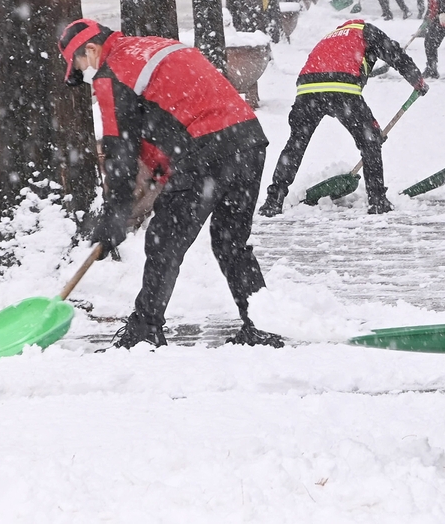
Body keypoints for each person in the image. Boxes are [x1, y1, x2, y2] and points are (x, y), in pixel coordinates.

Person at [58, 19, 284, 350]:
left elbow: (119, 153)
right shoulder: (156, 45)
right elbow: (172, 113)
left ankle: (145, 329)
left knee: (164, 241)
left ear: (91, 49)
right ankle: (262, 323)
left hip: (205, 149)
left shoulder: (113, 72)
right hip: (247, 139)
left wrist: (115, 214)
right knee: (230, 242)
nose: (90, 73)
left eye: (82, 65)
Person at [257, 19, 428, 216]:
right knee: (370, 141)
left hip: (307, 89)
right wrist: (417, 80)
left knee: (296, 143)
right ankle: (377, 199)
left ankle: (273, 200)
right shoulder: (365, 30)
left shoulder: (331, 37)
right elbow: (395, 53)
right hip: (342, 85)